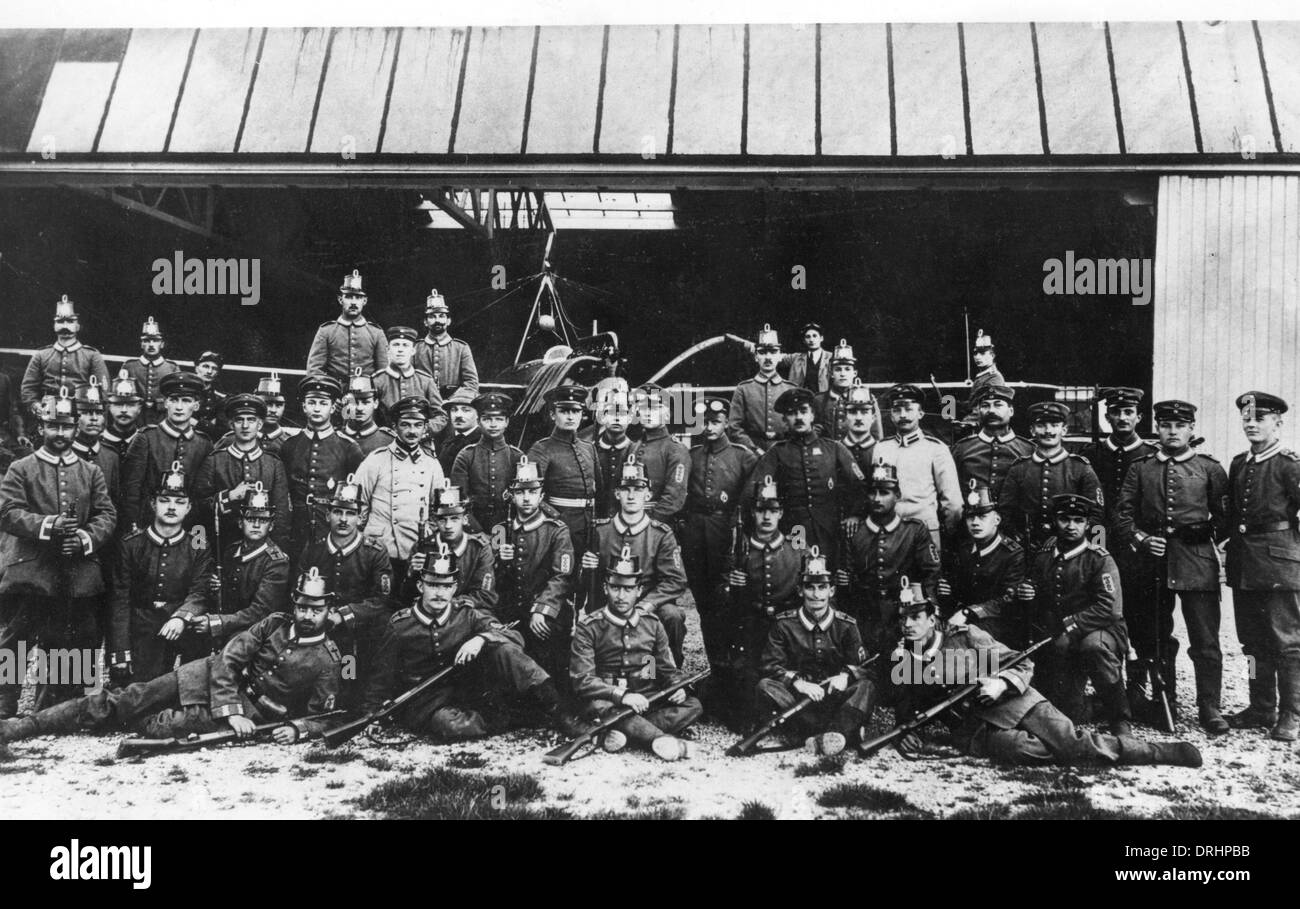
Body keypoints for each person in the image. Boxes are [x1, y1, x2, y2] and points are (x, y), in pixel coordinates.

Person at [1, 573, 344, 747]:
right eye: (302, 606)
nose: (307, 615)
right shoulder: (274, 623)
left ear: (329, 610)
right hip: (208, 678)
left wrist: (297, 729)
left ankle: (114, 721)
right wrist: (232, 709)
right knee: (130, 698)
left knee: (159, 726)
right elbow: (229, 658)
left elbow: (326, 716)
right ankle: (26, 726)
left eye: (316, 609)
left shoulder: (328, 659)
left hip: (253, 714)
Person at [885, 587, 1202, 767]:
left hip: (1015, 701)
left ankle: (1157, 752)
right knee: (1022, 750)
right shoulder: (905, 661)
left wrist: (1000, 683)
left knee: (1071, 743)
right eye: (904, 620)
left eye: (916, 617)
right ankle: (1086, 746)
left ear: (932, 618)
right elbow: (908, 712)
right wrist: (908, 734)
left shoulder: (966, 637)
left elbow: (1020, 664)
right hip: (977, 730)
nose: (909, 625)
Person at [363, 548, 579, 741]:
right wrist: (372, 715)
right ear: (420, 586)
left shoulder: (466, 613)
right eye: (433, 585)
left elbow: (513, 636)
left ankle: (561, 711)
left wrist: (481, 638)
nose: (439, 593)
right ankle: (516, 717)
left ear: (454, 588)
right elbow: (380, 674)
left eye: (446, 586)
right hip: (426, 700)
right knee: (450, 726)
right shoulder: (401, 625)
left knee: (504, 649)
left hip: (466, 688)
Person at [1115, 400, 1229, 734]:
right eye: (1166, 425)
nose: (1173, 431)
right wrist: (1141, 538)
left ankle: (1210, 707)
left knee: (1205, 639)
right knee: (1156, 636)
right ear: (1158, 429)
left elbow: (1226, 516)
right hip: (1152, 563)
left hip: (1197, 563)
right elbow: (1121, 513)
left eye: (1180, 425)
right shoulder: (1142, 467)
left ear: (1192, 429)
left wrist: (1207, 530)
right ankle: (1166, 702)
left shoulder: (1209, 468)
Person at [0, 390, 116, 716]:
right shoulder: (22, 468)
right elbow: (8, 512)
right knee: (18, 639)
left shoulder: (90, 471)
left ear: (77, 427)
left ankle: (63, 705)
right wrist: (47, 525)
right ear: (41, 428)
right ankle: (4, 702)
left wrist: (84, 537)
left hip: (77, 570)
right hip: (32, 571)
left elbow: (106, 514)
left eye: (66, 426)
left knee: (76, 637)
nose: (61, 434)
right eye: (53, 426)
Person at [571, 546, 703, 760]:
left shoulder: (652, 624)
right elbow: (583, 680)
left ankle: (613, 733)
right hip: (607, 700)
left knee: (692, 705)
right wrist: (622, 696)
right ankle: (661, 741)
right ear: (605, 588)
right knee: (601, 707)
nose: (621, 596)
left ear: (639, 590)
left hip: (646, 699)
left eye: (628, 589)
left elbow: (660, 667)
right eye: (615, 588)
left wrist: (675, 687)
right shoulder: (589, 627)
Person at [1224, 391, 1300, 741]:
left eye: (1261, 418)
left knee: (1286, 644)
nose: (1251, 424)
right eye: (1246, 418)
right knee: (1252, 643)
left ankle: (1292, 713)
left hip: (1279, 565)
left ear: (1278, 423)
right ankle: (1260, 707)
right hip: (1244, 565)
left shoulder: (1289, 464)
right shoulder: (1240, 463)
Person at [1022, 494, 1131, 735]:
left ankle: (1119, 717)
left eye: (1078, 520)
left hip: (1101, 629)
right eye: (1064, 519)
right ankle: (1092, 706)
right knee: (1068, 712)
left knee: (1094, 647)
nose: (1071, 526)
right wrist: (1027, 592)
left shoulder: (1099, 558)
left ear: (1087, 525)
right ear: (1054, 522)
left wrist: (1072, 626)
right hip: (1059, 633)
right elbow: (1040, 597)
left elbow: (1110, 608)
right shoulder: (1043, 557)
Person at [756, 547, 875, 756]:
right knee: (765, 686)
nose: (817, 594)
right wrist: (797, 683)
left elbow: (864, 667)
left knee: (865, 686)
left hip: (835, 699)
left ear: (832, 591)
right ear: (800, 590)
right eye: (810, 587)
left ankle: (833, 733)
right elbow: (770, 666)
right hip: (799, 700)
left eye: (823, 587)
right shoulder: (784, 624)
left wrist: (846, 675)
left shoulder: (846, 625)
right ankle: (840, 733)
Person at [109, 462, 213, 686]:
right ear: (153, 504)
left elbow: (200, 592)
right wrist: (120, 650)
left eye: (180, 502)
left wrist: (181, 616)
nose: (172, 507)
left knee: (189, 686)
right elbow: (120, 600)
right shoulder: (131, 545)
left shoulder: (198, 545)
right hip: (142, 628)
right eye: (165, 500)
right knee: (137, 694)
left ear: (189, 508)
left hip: (181, 626)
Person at [583, 457, 689, 666]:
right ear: (617, 494)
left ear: (648, 494)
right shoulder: (600, 531)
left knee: (672, 615)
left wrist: (646, 605)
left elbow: (675, 580)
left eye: (638, 490)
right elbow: (587, 583)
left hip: (648, 599)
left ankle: (671, 675)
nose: (631, 495)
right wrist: (585, 568)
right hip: (611, 599)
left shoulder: (660, 534)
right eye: (626, 489)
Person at [297, 475, 395, 704]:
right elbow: (300, 590)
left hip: (361, 627)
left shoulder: (373, 551)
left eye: (350, 513)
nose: (343, 519)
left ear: (360, 518)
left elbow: (383, 599)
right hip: (321, 623)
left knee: (365, 650)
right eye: (338, 512)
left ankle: (364, 700)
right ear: (328, 514)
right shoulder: (314, 549)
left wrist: (345, 614)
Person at [746, 387, 864, 571]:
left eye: (803, 411)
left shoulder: (834, 449)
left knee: (831, 576)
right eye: (792, 414)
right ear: (785, 420)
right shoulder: (777, 452)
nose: (799, 417)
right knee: (798, 573)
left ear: (812, 415)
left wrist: (855, 514)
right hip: (794, 530)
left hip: (831, 529)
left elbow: (859, 485)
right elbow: (753, 490)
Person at [681, 397, 757, 674]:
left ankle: (730, 667)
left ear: (726, 422)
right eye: (705, 422)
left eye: (715, 422)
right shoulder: (692, 455)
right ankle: (716, 666)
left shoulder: (742, 455)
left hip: (726, 531)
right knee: (703, 602)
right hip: (695, 533)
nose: (709, 427)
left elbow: (752, 494)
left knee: (724, 599)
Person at [721, 476, 801, 723]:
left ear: (781, 513)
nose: (766, 517)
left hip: (783, 626)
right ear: (752, 512)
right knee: (743, 675)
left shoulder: (796, 549)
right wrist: (729, 585)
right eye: (760, 510)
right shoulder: (739, 548)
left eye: (773, 510)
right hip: (750, 623)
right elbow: (720, 591)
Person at [841, 462, 940, 650]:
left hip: (903, 614)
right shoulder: (854, 531)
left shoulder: (914, 530)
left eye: (885, 493)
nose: (877, 498)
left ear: (897, 496)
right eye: (872, 492)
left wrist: (927, 612)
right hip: (864, 615)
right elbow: (846, 577)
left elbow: (931, 573)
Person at [491, 457, 574, 676]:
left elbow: (562, 576)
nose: (526, 498)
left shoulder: (556, 530)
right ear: (512, 496)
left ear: (541, 496)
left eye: (532, 492)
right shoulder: (500, 529)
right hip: (508, 608)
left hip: (542, 605)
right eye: (520, 493)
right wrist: (500, 560)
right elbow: (490, 576)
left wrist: (542, 609)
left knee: (548, 636)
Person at [185, 486, 290, 656]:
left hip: (255, 633)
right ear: (241, 523)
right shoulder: (231, 551)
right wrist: (217, 588)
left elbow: (260, 612)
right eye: (250, 519)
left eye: (262, 520)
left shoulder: (276, 562)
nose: (256, 525)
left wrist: (217, 623)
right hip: (228, 627)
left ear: (271, 526)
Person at [353, 396, 444, 589]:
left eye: (418, 425)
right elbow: (358, 504)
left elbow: (439, 510)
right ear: (395, 427)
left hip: (415, 550)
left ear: (425, 428)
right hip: (379, 549)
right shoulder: (376, 460)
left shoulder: (432, 465)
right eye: (406, 424)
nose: (412, 431)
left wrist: (426, 541)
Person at [193, 393, 292, 551]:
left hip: (262, 552)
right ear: (231, 425)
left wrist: (276, 554)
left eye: (251, 420)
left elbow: (281, 516)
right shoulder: (214, 460)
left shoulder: (273, 464)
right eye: (239, 420)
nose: (245, 426)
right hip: (222, 545)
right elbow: (198, 508)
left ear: (259, 424)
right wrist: (230, 496)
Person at [997, 401, 1102, 549]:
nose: (1048, 431)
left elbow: (1096, 513)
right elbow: (1005, 511)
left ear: (1064, 430)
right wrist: (1018, 539)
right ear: (1032, 430)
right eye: (1041, 425)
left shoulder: (1080, 468)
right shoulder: (1019, 468)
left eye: (1054, 425)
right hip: (1026, 548)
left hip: (1068, 548)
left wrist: (1071, 539)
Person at [280, 375, 363, 555]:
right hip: (297, 524)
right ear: (303, 406)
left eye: (323, 403)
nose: (317, 408)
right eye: (311, 402)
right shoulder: (290, 445)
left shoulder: (348, 447)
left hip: (331, 525)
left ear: (333, 407)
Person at [939, 483, 1029, 648]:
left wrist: (969, 612)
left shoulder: (1012, 554)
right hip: (963, 617)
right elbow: (960, 590)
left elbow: (1007, 600)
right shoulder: (964, 548)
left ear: (997, 519)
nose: (975, 522)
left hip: (998, 623)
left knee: (960, 640)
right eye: (970, 517)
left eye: (982, 517)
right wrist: (947, 592)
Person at [873, 383, 962, 552]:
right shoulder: (881, 448)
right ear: (891, 415)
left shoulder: (936, 448)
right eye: (897, 410)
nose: (903, 415)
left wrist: (945, 534)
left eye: (908, 409)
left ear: (921, 413)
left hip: (925, 534)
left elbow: (953, 504)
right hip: (888, 533)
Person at [120, 372, 213, 532]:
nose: (179, 407)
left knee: (197, 552)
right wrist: (135, 525)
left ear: (196, 405)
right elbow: (131, 489)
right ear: (165, 403)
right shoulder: (146, 438)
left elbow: (202, 495)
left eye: (186, 401)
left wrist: (198, 534)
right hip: (148, 525)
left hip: (190, 528)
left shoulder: (204, 443)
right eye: (173, 400)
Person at [527, 382, 598, 555]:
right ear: (552, 414)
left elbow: (600, 492)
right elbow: (530, 494)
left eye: (575, 411)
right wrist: (557, 518)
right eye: (564, 411)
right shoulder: (542, 449)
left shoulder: (589, 448)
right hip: (559, 527)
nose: (570, 417)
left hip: (590, 525)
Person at [406, 481, 496, 610]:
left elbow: (485, 595)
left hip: (465, 612)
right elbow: (406, 595)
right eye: (442, 519)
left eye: (454, 519)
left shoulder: (479, 549)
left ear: (465, 520)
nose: (448, 526)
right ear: (435, 521)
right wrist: (411, 572)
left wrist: (450, 604)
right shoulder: (421, 548)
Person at [20, 294, 110, 415]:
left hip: (80, 412)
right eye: (60, 321)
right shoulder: (41, 355)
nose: (65, 326)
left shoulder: (92, 355)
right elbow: (28, 388)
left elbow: (104, 391)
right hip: (47, 412)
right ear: (54, 325)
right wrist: (36, 405)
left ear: (78, 326)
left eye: (70, 321)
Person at [450, 392, 522, 534]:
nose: (493, 424)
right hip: (472, 526)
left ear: (507, 422)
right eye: (487, 419)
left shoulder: (516, 456)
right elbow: (458, 499)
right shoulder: (466, 455)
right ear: (478, 421)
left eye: (499, 419)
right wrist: (477, 532)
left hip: (507, 526)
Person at [306, 269, 388, 385]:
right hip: (335, 393)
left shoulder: (376, 333)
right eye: (349, 297)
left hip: (365, 396)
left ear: (364, 301)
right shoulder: (326, 331)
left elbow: (383, 372)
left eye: (358, 297)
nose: (354, 302)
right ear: (340, 299)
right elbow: (314, 369)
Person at [950, 384, 1033, 498]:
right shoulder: (961, 449)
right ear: (979, 412)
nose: (991, 410)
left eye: (998, 405)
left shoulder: (1028, 450)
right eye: (985, 406)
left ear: (1011, 411)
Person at [729, 324, 798, 453]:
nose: (768, 357)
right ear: (756, 357)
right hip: (751, 454)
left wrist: (785, 451)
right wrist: (754, 450)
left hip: (785, 453)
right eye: (762, 352)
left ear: (779, 356)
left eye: (773, 352)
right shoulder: (744, 389)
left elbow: (797, 426)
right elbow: (734, 428)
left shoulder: (790, 389)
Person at [631, 383, 690, 522]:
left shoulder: (675, 449)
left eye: (655, 408)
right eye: (644, 408)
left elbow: (674, 497)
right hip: (630, 519)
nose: (648, 413)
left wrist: (649, 522)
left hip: (658, 523)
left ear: (667, 414)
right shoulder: (634, 446)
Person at [414, 288, 479, 401]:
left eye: (441, 316)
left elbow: (471, 383)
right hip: (423, 404)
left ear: (448, 321)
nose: (437, 320)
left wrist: (451, 402)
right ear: (425, 322)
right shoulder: (416, 347)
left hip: (452, 404)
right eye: (432, 317)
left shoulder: (461, 348)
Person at [371, 326, 442, 417]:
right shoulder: (377, 381)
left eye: (405, 345)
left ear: (413, 351)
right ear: (388, 349)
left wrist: (424, 428)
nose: (400, 350)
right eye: (396, 345)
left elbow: (440, 415)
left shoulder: (425, 381)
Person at [71, 380, 120, 513]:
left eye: (98, 413)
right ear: (74, 417)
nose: (94, 418)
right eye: (86, 412)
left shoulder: (111, 456)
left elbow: (114, 502)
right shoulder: (65, 453)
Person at [123, 317, 180, 424]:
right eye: (147, 341)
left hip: (162, 417)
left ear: (162, 344)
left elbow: (176, 398)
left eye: (156, 341)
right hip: (136, 418)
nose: (151, 344)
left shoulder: (172, 368)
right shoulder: (130, 366)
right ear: (141, 344)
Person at [592, 386, 636, 519]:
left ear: (630, 418)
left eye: (622, 414)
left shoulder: (636, 450)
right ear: (602, 417)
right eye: (611, 412)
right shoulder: (590, 450)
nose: (617, 418)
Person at [340, 370, 395, 456]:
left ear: (375, 403)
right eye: (353, 402)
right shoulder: (336, 438)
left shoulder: (389, 441)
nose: (359, 408)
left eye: (365, 402)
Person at [814, 339, 860, 439]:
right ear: (831, 373)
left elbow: (876, 435)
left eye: (847, 369)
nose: (843, 374)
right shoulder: (819, 400)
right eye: (838, 369)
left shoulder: (866, 398)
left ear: (855, 373)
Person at [838, 381, 880, 475]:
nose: (858, 418)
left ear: (873, 418)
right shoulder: (835, 450)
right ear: (845, 416)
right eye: (852, 412)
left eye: (864, 412)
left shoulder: (881, 450)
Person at [439, 388, 481, 474]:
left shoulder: (483, 441)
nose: (458, 415)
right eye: (454, 410)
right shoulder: (447, 441)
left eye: (466, 410)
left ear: (478, 414)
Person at [102, 370, 144, 455]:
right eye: (118, 404)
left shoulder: (145, 442)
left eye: (130, 405)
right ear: (109, 406)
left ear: (139, 408)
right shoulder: (99, 440)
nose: (124, 410)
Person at [193, 351, 229, 441]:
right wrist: (209, 424)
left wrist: (194, 422)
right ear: (197, 368)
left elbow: (221, 432)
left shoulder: (221, 399)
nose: (209, 371)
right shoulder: (184, 392)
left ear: (217, 373)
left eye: (214, 368)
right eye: (205, 366)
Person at [786, 322, 831, 393]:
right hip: (801, 400)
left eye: (814, 336)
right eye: (808, 336)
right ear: (804, 341)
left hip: (823, 401)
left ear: (821, 338)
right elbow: (777, 357)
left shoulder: (831, 358)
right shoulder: (796, 358)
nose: (811, 340)